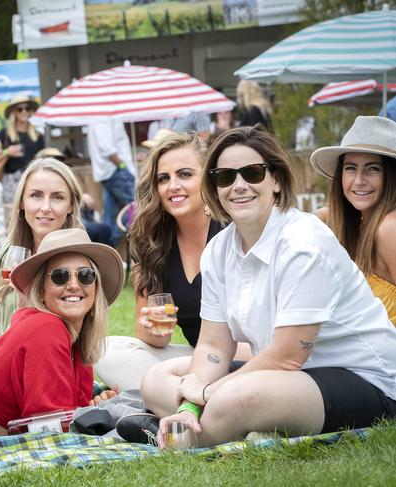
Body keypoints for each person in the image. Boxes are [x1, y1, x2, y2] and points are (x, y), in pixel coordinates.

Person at [141, 125, 396, 448]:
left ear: (276, 180)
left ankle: (174, 437)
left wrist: (206, 392)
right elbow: (213, 347)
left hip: (366, 379)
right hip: (283, 379)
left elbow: (287, 356)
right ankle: (198, 424)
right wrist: (191, 401)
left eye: (252, 173)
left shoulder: (303, 241)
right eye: (225, 177)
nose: (239, 185)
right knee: (156, 379)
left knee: (237, 397)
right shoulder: (219, 250)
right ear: (214, 188)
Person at [95, 132, 249, 391]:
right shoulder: (150, 241)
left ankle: (181, 394)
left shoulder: (235, 231)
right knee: (105, 351)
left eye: (185, 174)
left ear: (207, 178)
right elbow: (149, 337)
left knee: (165, 379)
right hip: (197, 359)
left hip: (250, 357)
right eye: (163, 178)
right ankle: (197, 393)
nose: (173, 186)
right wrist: (155, 330)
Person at [0, 228, 124, 436]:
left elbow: (70, 413)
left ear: (96, 287)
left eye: (85, 276)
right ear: (41, 291)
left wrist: (96, 407)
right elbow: (50, 430)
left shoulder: (78, 343)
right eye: (60, 276)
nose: (73, 285)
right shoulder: (46, 329)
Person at [0, 157, 85, 364]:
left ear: (71, 206)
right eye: (36, 195)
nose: (45, 207)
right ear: (21, 201)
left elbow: (75, 339)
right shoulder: (10, 254)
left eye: (57, 197)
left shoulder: (81, 264)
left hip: (46, 368)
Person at [311, 116, 396, 325]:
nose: (359, 181)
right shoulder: (355, 222)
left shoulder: (389, 228)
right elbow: (321, 215)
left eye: (373, 168)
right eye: (350, 168)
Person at [86, 120, 136, 247]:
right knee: (137, 206)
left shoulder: (102, 112)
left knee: (110, 217)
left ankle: (106, 249)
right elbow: (106, 148)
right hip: (116, 170)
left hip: (110, 171)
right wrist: (123, 166)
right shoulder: (104, 115)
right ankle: (132, 235)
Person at [0, 95, 44, 203]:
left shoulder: (38, 135)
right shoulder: (4, 134)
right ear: (14, 112)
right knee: (13, 213)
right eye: (20, 109)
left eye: (27, 108)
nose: (24, 112)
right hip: (11, 181)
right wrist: (7, 151)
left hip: (33, 178)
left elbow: (43, 158)